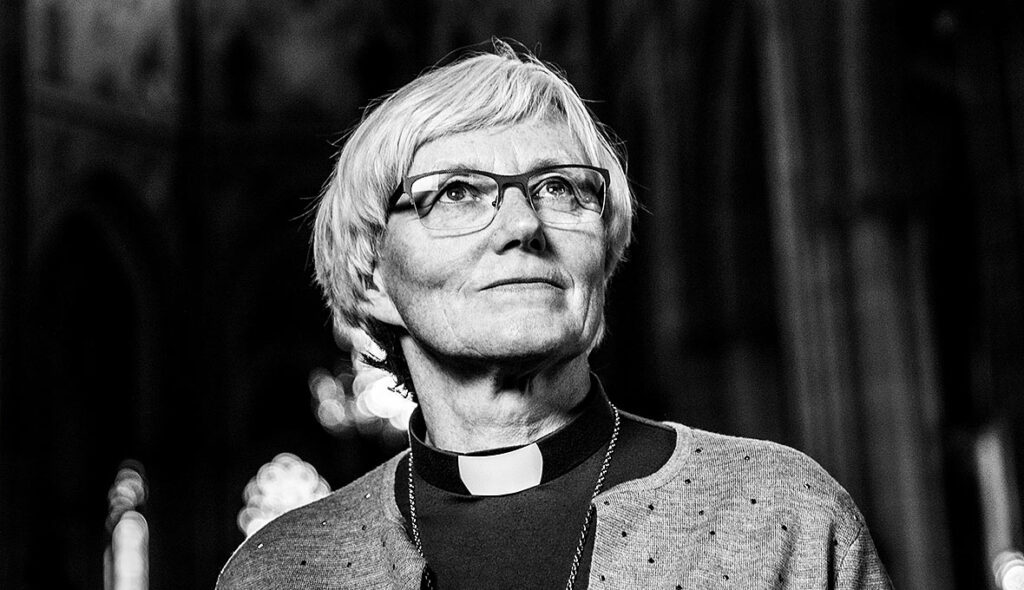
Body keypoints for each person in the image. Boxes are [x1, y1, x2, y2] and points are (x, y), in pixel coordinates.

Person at [216, 40, 892, 589]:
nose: (523, 225)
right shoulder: (280, 573)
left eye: (558, 188)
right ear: (373, 282)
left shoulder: (783, 516)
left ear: (604, 250)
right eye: (456, 192)